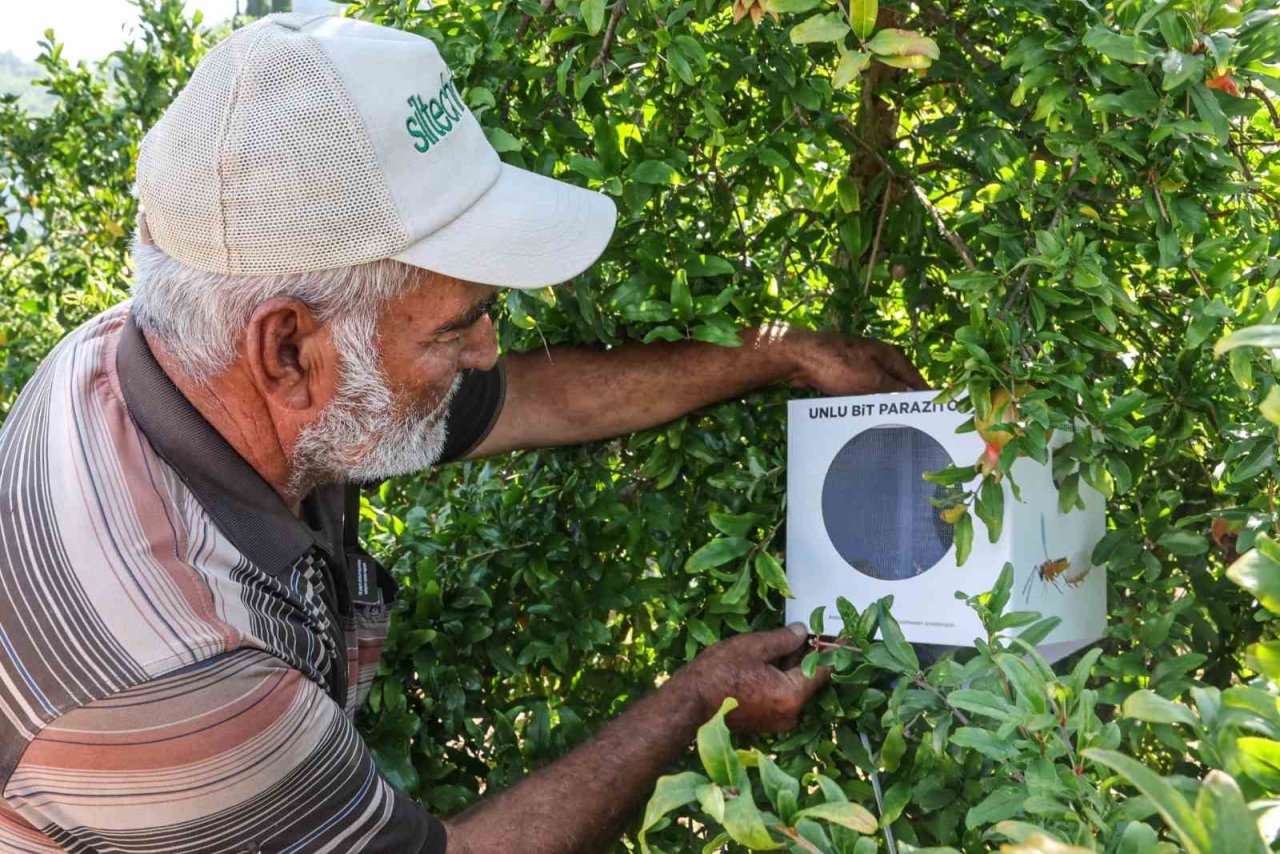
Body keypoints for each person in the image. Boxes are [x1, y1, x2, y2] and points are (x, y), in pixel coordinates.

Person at [0, 13, 926, 853]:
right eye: (459, 324)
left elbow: (528, 400)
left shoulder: (173, 355)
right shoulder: (185, 678)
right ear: (287, 349)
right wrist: (697, 700)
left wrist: (780, 356)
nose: (489, 350)